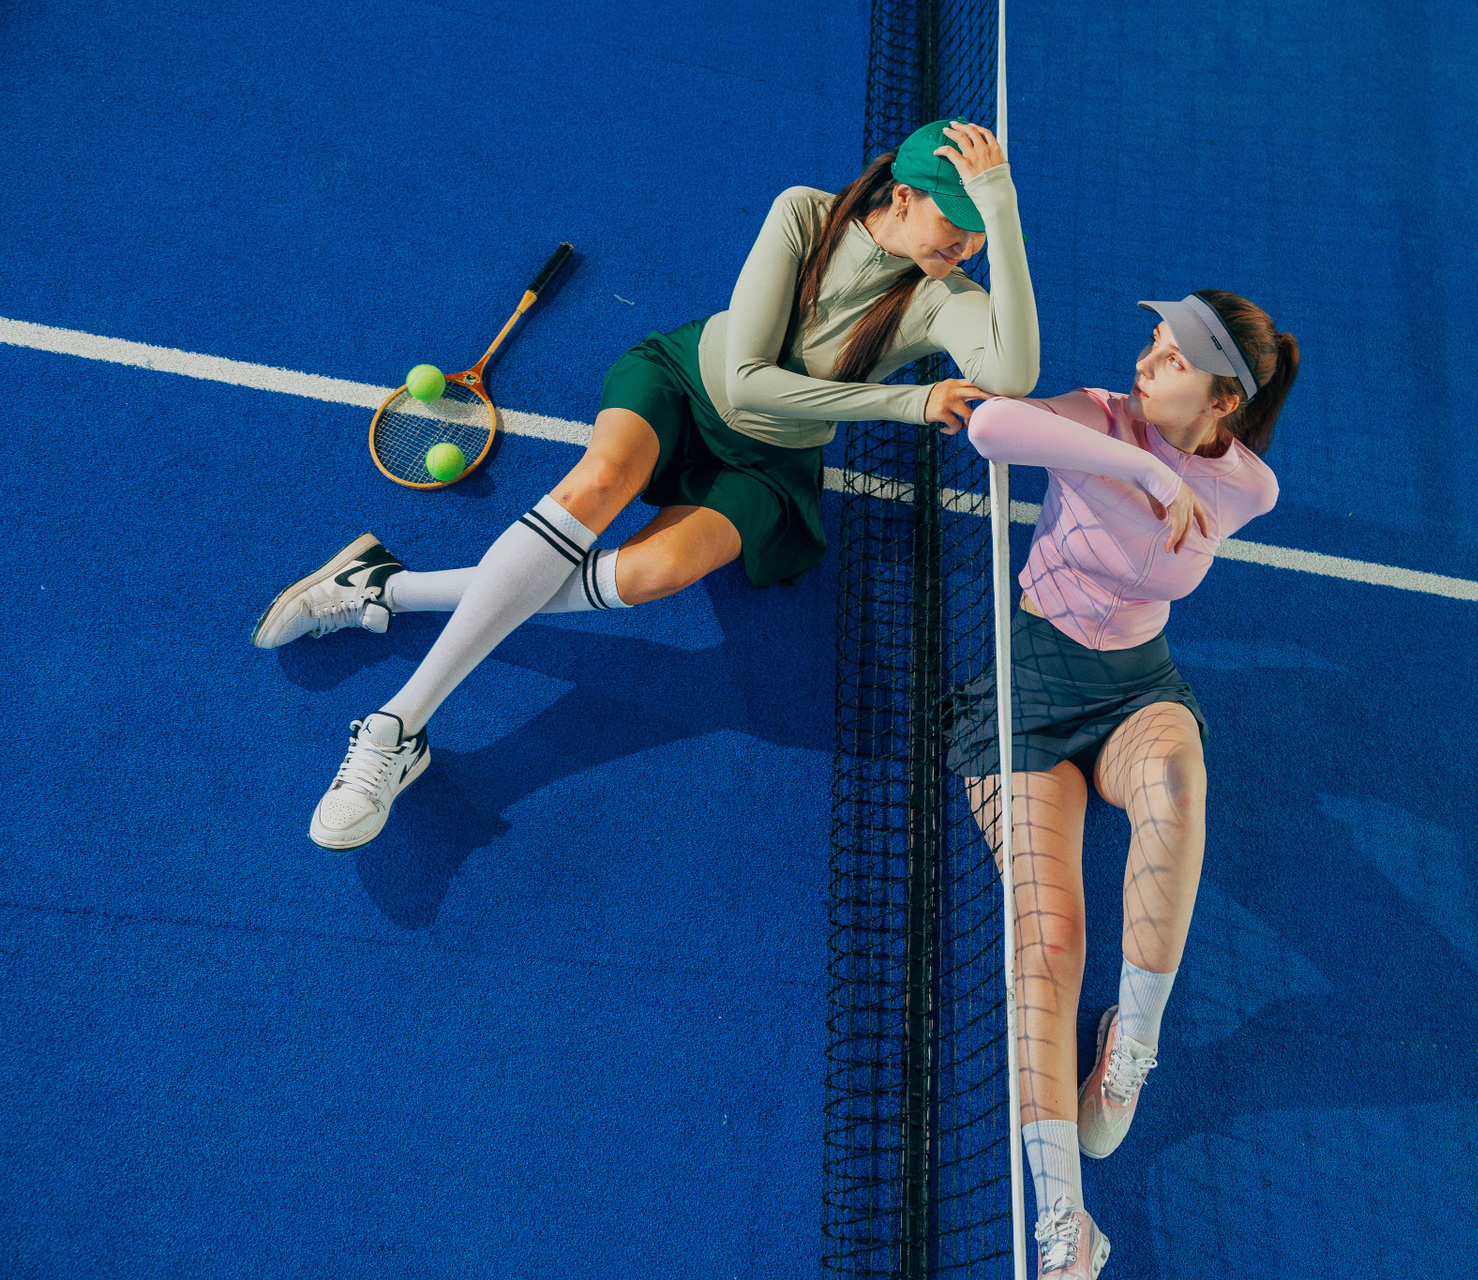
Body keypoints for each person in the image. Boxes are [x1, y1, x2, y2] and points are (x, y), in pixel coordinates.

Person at [253, 119, 1038, 850]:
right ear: (903, 196)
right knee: (596, 483)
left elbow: (1013, 374)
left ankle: (386, 588)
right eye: (958, 221)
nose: (968, 245)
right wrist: (907, 403)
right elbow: (748, 378)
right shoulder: (805, 214)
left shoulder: (939, 295)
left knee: (655, 574)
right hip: (682, 385)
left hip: (767, 462)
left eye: (982, 229)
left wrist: (1000, 210)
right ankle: (396, 727)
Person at [946, 290, 1298, 1278]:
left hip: (1139, 687)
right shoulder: (1099, 419)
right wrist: (1144, 464)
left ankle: (1129, 1047)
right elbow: (990, 426)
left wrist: (1177, 472)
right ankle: (1066, 1223)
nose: (1147, 361)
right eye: (1153, 340)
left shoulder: (1251, 488)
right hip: (1027, 690)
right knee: (1050, 938)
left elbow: (1219, 499)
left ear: (1223, 401)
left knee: (1179, 788)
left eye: (1173, 357)